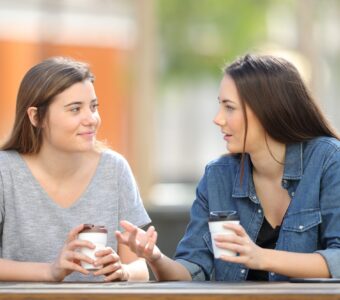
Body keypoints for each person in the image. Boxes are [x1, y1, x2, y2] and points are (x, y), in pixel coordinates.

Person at [116, 54, 340, 281]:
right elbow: (192, 269)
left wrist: (261, 257)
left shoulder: (328, 160)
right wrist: (156, 257)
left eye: (229, 108)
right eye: (220, 106)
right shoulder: (218, 176)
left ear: (267, 110)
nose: (218, 119)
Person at [0, 57, 151, 282]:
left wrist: (124, 272)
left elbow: (139, 266)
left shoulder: (114, 169)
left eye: (93, 107)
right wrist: (50, 272)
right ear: (35, 116)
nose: (91, 119)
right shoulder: (5, 171)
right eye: (75, 109)